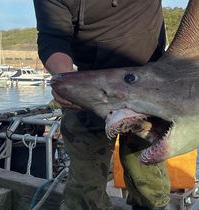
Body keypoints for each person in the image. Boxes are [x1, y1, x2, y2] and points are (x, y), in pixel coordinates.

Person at [33, 1, 170, 210]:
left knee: (149, 182)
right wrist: (65, 79)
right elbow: (53, 36)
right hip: (92, 89)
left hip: (149, 89)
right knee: (85, 186)